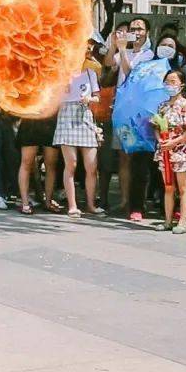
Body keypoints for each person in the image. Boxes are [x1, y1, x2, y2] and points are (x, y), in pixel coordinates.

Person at [105, 18, 155, 220]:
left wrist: (123, 50)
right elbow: (109, 63)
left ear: (147, 33)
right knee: (124, 156)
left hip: (140, 113)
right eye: (133, 29)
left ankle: (138, 204)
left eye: (140, 29)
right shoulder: (123, 51)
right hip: (122, 110)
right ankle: (125, 201)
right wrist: (113, 45)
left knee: (139, 158)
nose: (136, 32)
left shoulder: (149, 54)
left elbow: (130, 71)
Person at [153, 70, 186, 233]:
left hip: (180, 150)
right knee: (168, 186)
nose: (169, 85)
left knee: (183, 187)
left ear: (182, 85)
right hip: (165, 150)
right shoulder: (162, 106)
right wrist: (160, 140)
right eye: (167, 82)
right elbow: (156, 127)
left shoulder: (185, 105)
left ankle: (182, 222)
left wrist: (174, 141)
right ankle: (167, 220)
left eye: (173, 82)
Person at [53, 60, 101, 218]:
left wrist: (89, 99)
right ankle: (72, 206)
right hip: (66, 114)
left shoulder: (90, 72)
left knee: (92, 166)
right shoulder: (61, 72)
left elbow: (97, 97)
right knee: (71, 164)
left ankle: (91, 205)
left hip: (84, 114)